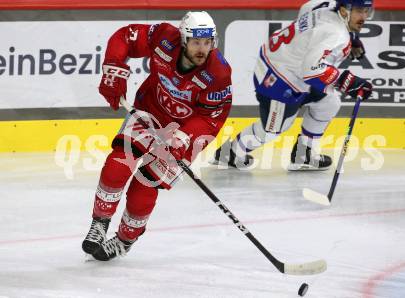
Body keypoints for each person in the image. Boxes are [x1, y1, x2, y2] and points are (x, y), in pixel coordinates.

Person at [82, 11, 232, 261]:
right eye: (196, 42)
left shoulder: (218, 74)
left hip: (186, 131)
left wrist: (184, 138)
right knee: (117, 164)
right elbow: (126, 37)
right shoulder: (164, 37)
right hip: (149, 111)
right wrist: (114, 67)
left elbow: (211, 119)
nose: (202, 49)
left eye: (207, 43)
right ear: (184, 40)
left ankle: (125, 239)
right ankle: (100, 223)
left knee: (145, 185)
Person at [211, 0, 373, 171]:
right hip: (278, 77)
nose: (364, 17)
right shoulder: (336, 34)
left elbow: (306, 8)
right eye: (359, 11)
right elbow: (311, 70)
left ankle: (305, 155)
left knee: (328, 103)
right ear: (344, 10)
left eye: (366, 11)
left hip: (289, 68)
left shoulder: (325, 5)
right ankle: (230, 153)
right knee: (272, 130)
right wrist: (346, 81)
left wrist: (352, 36)